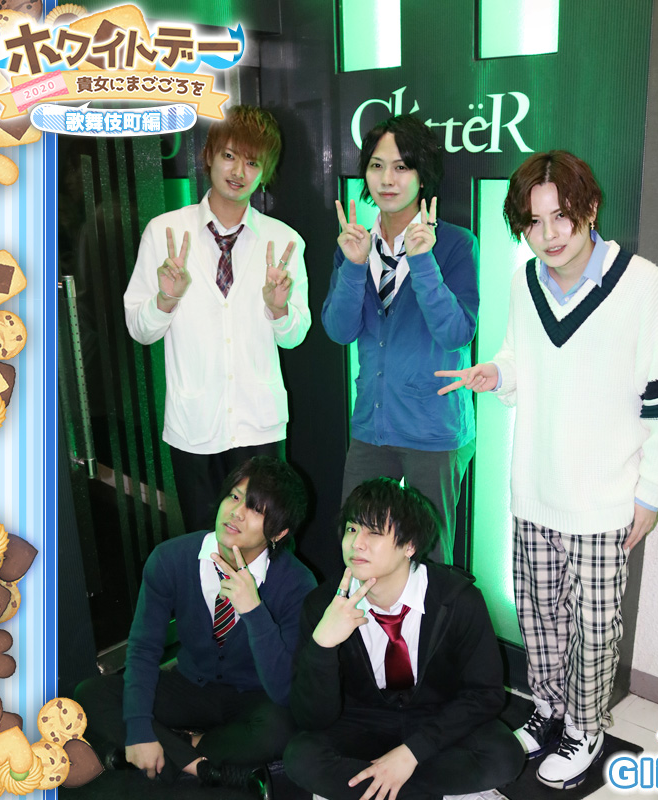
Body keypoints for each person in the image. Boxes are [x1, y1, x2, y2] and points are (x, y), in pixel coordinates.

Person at [436, 151, 658, 789]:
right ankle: (548, 707)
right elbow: (518, 358)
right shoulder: (527, 280)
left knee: (595, 628)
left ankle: (585, 726)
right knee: (539, 617)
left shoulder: (644, 287)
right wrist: (496, 374)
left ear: (590, 210)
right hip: (534, 491)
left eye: (562, 217)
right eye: (533, 221)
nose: (548, 235)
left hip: (605, 499)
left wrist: (653, 494)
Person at [75, 456, 317, 791]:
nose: (236, 513)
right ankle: (203, 767)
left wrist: (254, 611)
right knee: (90, 694)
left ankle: (178, 748)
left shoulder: (297, 583)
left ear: (279, 532)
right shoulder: (170, 559)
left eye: (256, 509)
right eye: (234, 497)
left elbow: (284, 690)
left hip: (253, 697)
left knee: (282, 729)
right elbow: (144, 650)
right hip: (189, 685)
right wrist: (140, 729)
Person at [124, 105, 310, 532]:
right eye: (229, 156)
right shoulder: (165, 232)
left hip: (259, 426)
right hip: (194, 424)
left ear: (265, 172)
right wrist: (166, 299)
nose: (239, 172)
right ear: (208, 155)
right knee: (204, 541)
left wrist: (279, 308)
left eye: (253, 162)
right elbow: (140, 329)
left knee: (262, 538)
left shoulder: (284, 241)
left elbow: (294, 336)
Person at [284, 477, 524, 800]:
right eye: (352, 529)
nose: (356, 544)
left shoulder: (456, 600)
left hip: (437, 717)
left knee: (505, 755)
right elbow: (311, 719)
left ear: (409, 546)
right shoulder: (322, 605)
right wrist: (322, 646)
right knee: (301, 756)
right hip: (361, 719)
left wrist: (411, 753)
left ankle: (382, 786)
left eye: (374, 532)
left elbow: (485, 694)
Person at [322, 114, 479, 564]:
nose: (387, 179)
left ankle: (427, 616)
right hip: (372, 426)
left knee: (430, 556)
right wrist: (354, 265)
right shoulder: (355, 244)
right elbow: (339, 330)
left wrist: (423, 261)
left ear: (421, 175)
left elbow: (456, 332)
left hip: (433, 428)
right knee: (359, 547)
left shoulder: (454, 244)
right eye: (377, 166)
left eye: (401, 167)